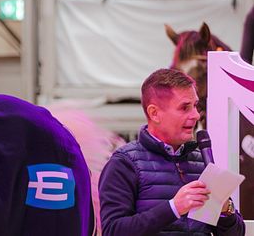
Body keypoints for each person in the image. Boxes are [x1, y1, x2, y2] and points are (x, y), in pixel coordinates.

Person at [99, 68, 245, 236]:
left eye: (195, 106)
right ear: (154, 113)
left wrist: (226, 210)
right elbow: (113, 231)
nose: (196, 115)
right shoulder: (124, 163)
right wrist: (174, 207)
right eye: (185, 108)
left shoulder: (202, 162)